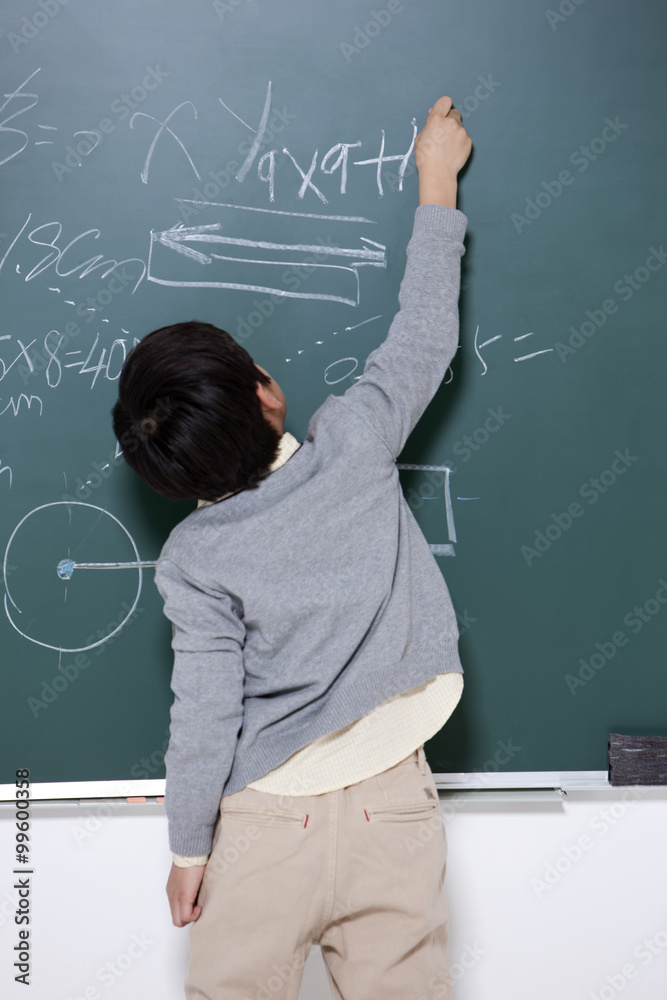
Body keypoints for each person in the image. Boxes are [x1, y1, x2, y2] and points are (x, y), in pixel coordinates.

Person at [112, 94, 472, 1000]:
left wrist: (190, 850)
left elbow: (204, 714)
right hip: (393, 800)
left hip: (267, 823)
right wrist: (436, 179)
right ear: (267, 394)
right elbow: (425, 332)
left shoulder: (195, 558)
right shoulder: (355, 442)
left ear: (169, 476)